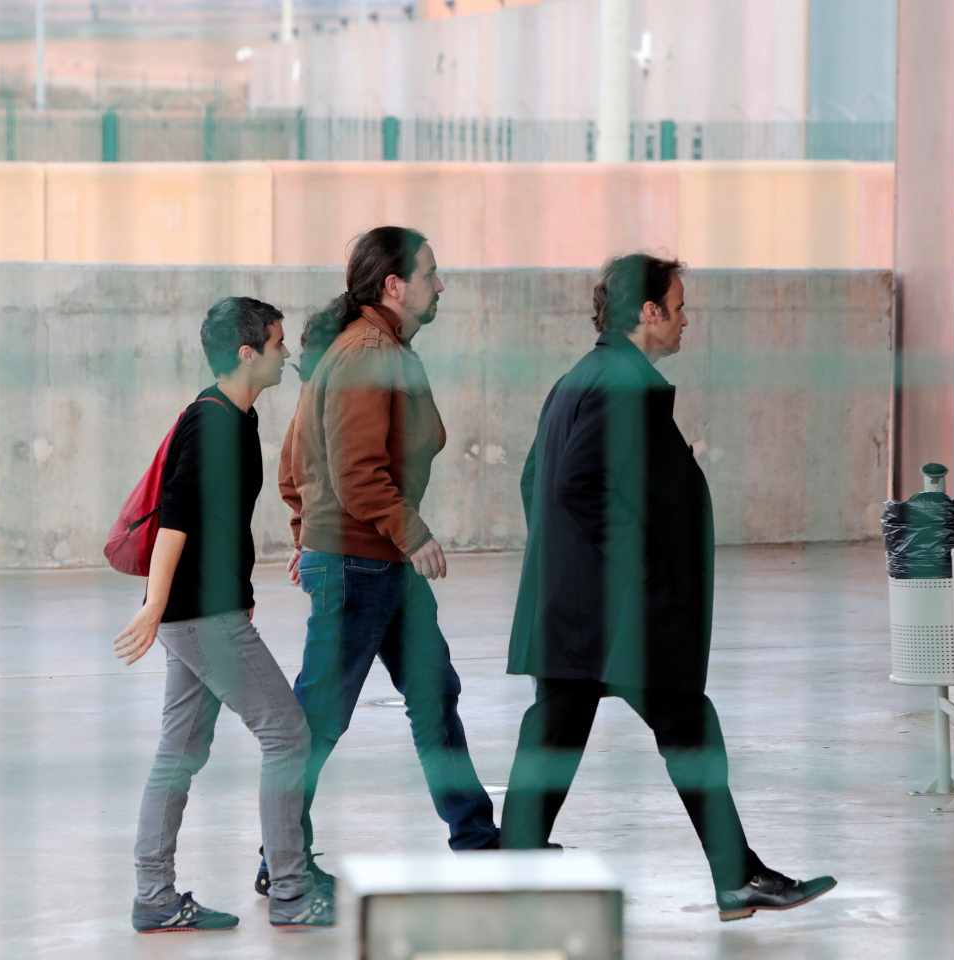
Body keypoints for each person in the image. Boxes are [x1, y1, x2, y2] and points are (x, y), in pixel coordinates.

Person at [499, 254, 837, 922]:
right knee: (672, 729)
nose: (686, 320)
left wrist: (569, 567)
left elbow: (536, 475)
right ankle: (736, 878)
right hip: (619, 615)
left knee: (566, 736)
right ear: (647, 313)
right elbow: (575, 486)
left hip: (579, 610)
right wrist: (635, 572)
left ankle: (513, 878)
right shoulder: (625, 384)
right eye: (678, 307)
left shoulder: (581, 376)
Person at [254, 226, 501, 897]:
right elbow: (357, 473)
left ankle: (477, 839)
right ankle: (281, 859)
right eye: (431, 273)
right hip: (367, 560)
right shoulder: (365, 352)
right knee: (321, 715)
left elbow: (294, 461)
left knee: (433, 694)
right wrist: (407, 532)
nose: (441, 285)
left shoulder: (365, 347)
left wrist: (310, 531)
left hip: (371, 557)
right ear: (394, 284)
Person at [114, 297, 333, 932]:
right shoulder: (213, 423)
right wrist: (154, 607)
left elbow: (217, 523)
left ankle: (155, 898)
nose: (286, 352)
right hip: (200, 615)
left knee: (179, 751)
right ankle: (291, 890)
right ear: (247, 353)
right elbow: (176, 523)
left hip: (208, 609)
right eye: (278, 342)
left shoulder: (234, 419)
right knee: (287, 735)